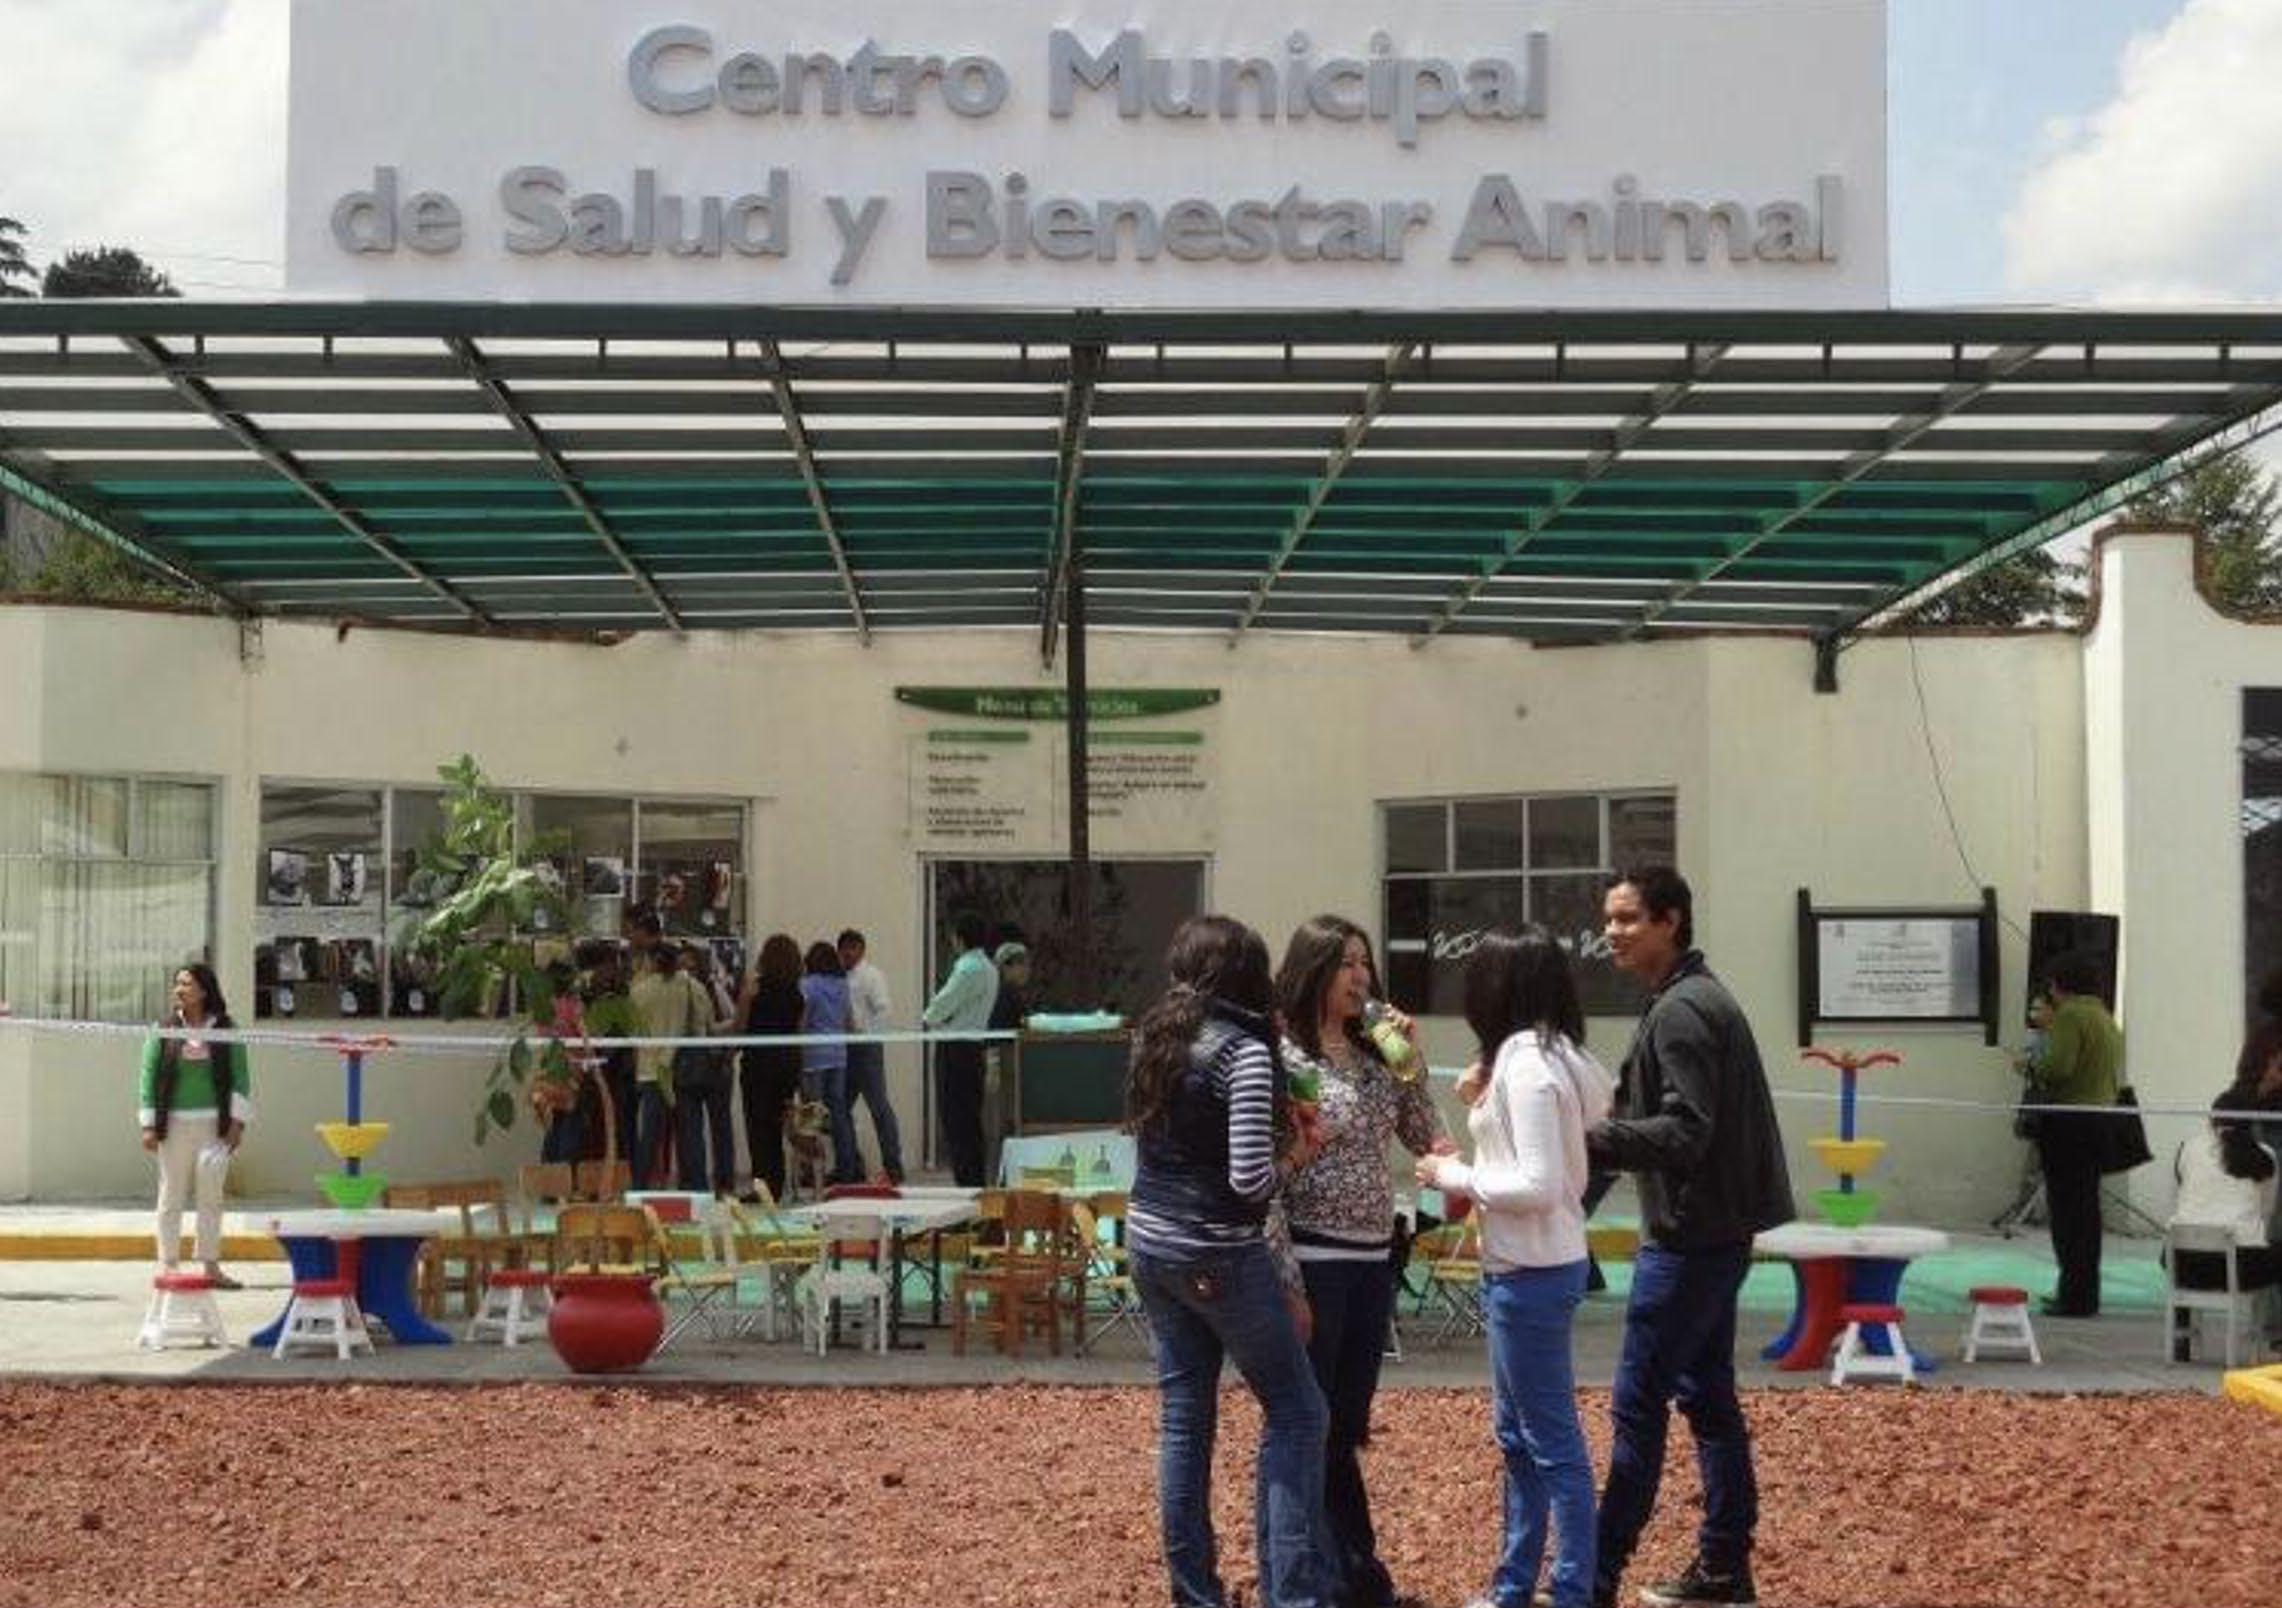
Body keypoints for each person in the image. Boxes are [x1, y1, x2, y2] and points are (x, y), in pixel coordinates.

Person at [1585, 867, 1792, 1608]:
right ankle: (1724, 1570)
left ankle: (1595, 1575)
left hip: (1689, 1240)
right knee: (1707, 1399)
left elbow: (1685, 1129)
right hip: (1712, 1232)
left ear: (1670, 921)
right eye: (1609, 919)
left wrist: (1591, 1139)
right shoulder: (1684, 1000)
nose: (1611, 932)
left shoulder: (1682, 1010)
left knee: (1638, 1403)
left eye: (1627, 919)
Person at [1126, 914, 1331, 1608]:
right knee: (1299, 1412)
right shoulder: (1243, 1051)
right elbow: (1249, 1181)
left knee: (1185, 1420)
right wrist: (1296, 1155)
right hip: (1217, 1247)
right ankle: (1292, 1594)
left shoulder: (1155, 1035)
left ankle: (1195, 1594)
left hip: (1150, 1237)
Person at [1416, 926, 1612, 1608]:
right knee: (1522, 1438)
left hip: (1529, 1270)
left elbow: (1536, 1183)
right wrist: (1483, 1095)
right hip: (1532, 1266)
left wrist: (1454, 1172)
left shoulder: (1527, 1066)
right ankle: (1515, 1585)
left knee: (1548, 1442)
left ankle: (1567, 1589)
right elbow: (1594, 1111)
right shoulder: (1550, 1055)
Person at [1271, 914, 1445, 1608]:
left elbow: (1426, 1135)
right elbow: (1267, 1176)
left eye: (1364, 963)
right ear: (1313, 970)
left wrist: (1411, 1062)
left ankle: (1351, 1572)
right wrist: (1286, 1278)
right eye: (1345, 963)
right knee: (1311, 1423)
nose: (1360, 977)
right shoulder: (1285, 1054)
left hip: (1373, 1257)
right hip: (1314, 1254)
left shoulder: (1376, 1053)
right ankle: (1326, 1575)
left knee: (1346, 1423)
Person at [138, 964, 252, 1287]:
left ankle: (210, 1266)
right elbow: (148, 1076)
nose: (179, 989)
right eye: (177, 983)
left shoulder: (226, 1029)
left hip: (214, 1126)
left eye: (186, 984)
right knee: (170, 1195)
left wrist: (237, 1124)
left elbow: (241, 1077)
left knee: (211, 1196)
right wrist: (148, 1124)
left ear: (203, 990)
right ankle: (168, 1264)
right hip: (174, 1126)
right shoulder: (163, 1029)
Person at [2024, 948, 2123, 1317]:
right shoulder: (2104, 1016)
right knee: (2087, 1212)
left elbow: (2057, 1067)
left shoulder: (2070, 1016)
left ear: (2059, 985)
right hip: (2100, 1120)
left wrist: (2029, 1064)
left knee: (2067, 1213)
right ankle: (2084, 1292)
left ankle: (2073, 1295)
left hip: (2069, 1122)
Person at [923, 911, 1000, 1187]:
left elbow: (939, 1007)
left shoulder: (967, 968)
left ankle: (966, 1182)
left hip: (955, 1050)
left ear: (960, 938)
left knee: (956, 1120)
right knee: (970, 1118)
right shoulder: (990, 968)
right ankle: (975, 1180)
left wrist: (931, 1017)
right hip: (974, 1049)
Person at [628, 941, 711, 1189]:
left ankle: (639, 1187)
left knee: (650, 1136)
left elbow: (634, 1034)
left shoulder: (639, 992)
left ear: (653, 961)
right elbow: (703, 1025)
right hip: (685, 1070)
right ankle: (697, 1189)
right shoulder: (692, 987)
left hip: (651, 1071)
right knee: (691, 1134)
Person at [735, 934, 807, 1202]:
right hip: (787, 1064)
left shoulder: (754, 989)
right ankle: (776, 1184)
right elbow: (799, 1032)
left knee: (758, 1127)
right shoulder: (798, 995)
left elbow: (740, 1027)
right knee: (778, 1124)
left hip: (758, 1064)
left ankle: (763, 1187)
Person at [838, 928, 905, 1185]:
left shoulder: (871, 976)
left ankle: (893, 1166)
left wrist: (865, 1033)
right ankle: (851, 1164)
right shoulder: (838, 977)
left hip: (866, 1048)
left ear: (861, 950)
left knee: (879, 1107)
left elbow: (884, 1010)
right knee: (839, 1110)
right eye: (843, 948)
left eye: (852, 948)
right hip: (843, 1049)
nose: (847, 953)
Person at [674, 941, 738, 1195]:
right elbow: (731, 1020)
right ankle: (715, 1185)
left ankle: (705, 1186)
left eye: (689, 966)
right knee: (704, 1129)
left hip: (700, 1065)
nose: (685, 972)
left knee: (702, 1129)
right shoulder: (712, 988)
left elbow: (730, 1019)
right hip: (709, 1064)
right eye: (681, 966)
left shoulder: (709, 989)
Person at [800, 939, 861, 1185]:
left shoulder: (807, 985)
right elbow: (849, 1022)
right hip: (838, 1056)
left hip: (813, 1056)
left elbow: (803, 1020)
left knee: (811, 1114)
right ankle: (847, 1168)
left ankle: (811, 1169)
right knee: (839, 1112)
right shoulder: (842, 985)